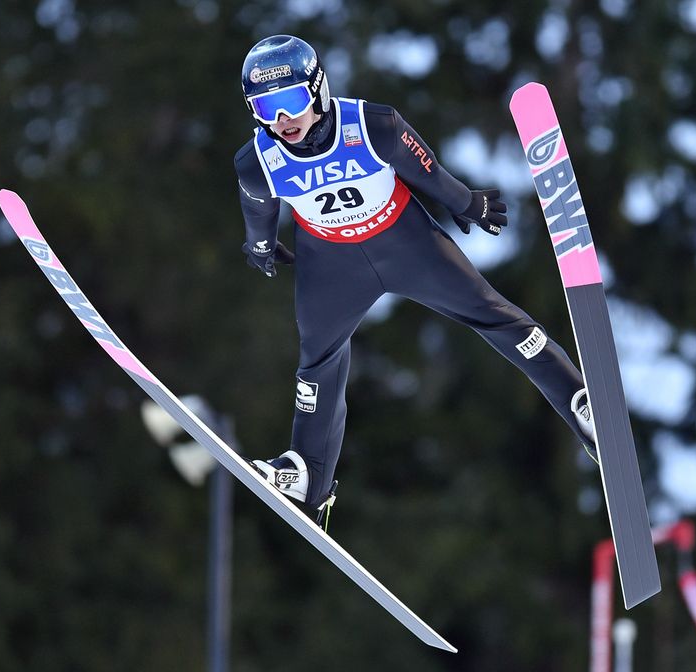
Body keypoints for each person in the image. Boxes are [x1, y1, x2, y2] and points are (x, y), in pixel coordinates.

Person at [234, 35, 596, 529]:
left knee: (488, 311)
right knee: (317, 361)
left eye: (291, 102)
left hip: (405, 243)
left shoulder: (371, 124)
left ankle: (578, 399)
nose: (282, 121)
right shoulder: (256, 160)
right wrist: (258, 247)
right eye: (265, 108)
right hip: (330, 264)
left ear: (317, 89)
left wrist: (466, 202)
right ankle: (308, 477)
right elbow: (259, 213)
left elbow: (424, 167)